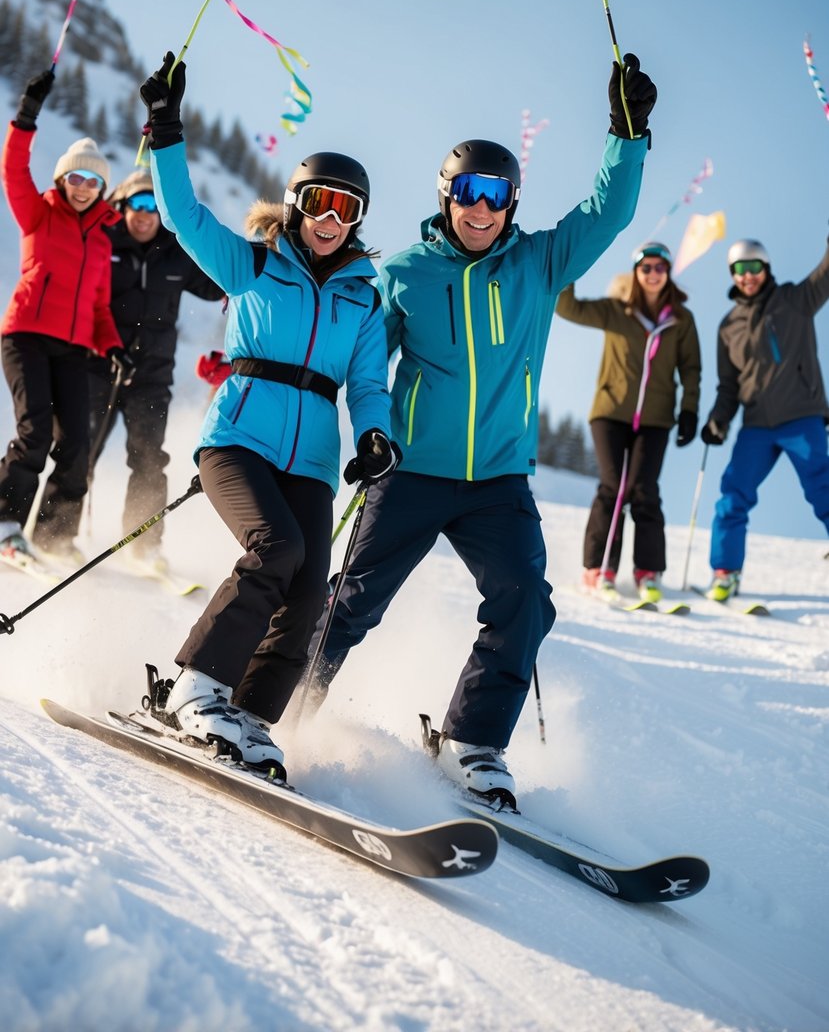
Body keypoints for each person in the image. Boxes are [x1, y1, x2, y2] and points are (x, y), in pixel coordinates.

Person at [310, 53, 658, 806]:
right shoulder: (403, 273)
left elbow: (607, 211)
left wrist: (624, 136)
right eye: (466, 192)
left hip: (497, 479)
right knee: (353, 599)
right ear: (446, 196)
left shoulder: (537, 263)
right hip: (412, 472)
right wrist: (357, 429)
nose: (479, 208)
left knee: (524, 600)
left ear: (510, 203)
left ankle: (473, 741)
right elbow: (365, 366)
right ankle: (277, 703)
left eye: (495, 195)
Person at [137, 52, 396, 773]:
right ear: (296, 202)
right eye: (320, 203)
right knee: (274, 551)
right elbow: (184, 216)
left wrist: (376, 433)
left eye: (347, 210)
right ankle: (195, 686)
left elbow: (369, 383)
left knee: (309, 590)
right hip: (238, 442)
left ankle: (246, 715)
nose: (331, 220)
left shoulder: (362, 299)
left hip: (311, 461)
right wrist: (164, 129)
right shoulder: (256, 264)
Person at [0, 68, 132, 566]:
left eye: (94, 181)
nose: (83, 187)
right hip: (26, 337)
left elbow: (99, 307)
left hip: (74, 348)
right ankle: (5, 525)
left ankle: (55, 535)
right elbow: (12, 169)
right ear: (62, 178)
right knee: (35, 433)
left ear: (102, 188)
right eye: (76, 177)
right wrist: (27, 116)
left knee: (76, 444)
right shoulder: (38, 213)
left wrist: (114, 345)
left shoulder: (101, 239)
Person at [87, 169, 225, 565]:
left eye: (152, 205)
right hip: (100, 366)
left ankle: (143, 546)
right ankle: (54, 533)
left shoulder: (174, 253)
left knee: (149, 457)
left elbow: (218, 282)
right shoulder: (105, 242)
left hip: (152, 374)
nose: (144, 214)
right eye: (137, 203)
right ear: (123, 205)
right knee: (81, 451)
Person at [555, 241, 701, 601]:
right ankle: (597, 569)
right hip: (610, 413)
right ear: (636, 273)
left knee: (645, 491)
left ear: (668, 273)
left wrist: (689, 410)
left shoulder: (680, 319)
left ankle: (648, 573)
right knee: (613, 486)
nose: (653, 274)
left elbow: (692, 369)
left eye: (660, 268)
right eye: (646, 267)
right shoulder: (616, 311)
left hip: (655, 419)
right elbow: (567, 307)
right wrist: (574, 265)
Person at [701, 237, 829, 600]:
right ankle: (725, 573)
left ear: (766, 268)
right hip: (756, 424)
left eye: (754, 267)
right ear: (733, 275)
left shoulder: (794, 300)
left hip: (802, 415)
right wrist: (718, 420)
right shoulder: (728, 327)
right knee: (732, 494)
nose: (748, 276)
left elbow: (825, 273)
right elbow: (728, 386)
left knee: (822, 487)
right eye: (740, 269)